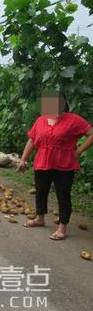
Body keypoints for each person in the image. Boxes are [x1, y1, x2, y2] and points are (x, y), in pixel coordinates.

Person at [19, 90, 92, 240]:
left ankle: (62, 227)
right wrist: (23, 159)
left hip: (64, 164)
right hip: (42, 162)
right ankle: (40, 218)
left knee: (63, 195)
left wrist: (78, 151)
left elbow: (91, 134)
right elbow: (32, 140)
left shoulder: (74, 120)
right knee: (41, 191)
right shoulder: (41, 120)